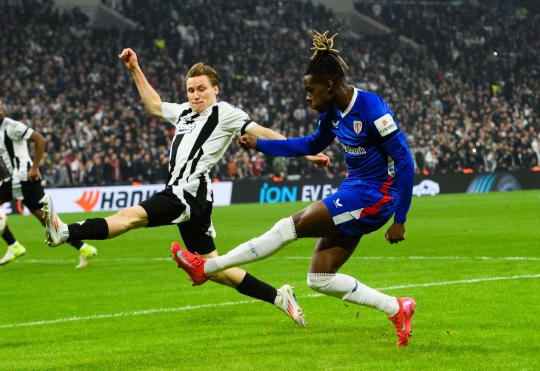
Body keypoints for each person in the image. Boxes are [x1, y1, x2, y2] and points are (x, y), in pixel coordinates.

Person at [43, 48, 329, 326]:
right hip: (194, 198)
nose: (195, 95)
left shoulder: (225, 112)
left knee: (129, 216)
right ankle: (279, 297)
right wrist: (135, 69)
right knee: (215, 269)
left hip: (187, 193)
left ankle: (66, 232)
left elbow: (263, 132)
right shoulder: (182, 113)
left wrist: (305, 153)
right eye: (191, 90)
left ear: (216, 89)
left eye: (201, 89)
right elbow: (154, 105)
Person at [172, 31, 417, 346]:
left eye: (309, 89)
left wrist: (400, 218)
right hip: (354, 191)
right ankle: (397, 307)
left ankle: (205, 267)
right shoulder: (332, 113)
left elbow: (405, 161)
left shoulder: (371, 108)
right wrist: (261, 145)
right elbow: (311, 143)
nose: (306, 96)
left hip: (374, 197)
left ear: (329, 86)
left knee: (289, 227)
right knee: (320, 279)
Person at [0, 100, 97, 268]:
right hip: (19, 180)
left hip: (24, 177)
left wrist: (34, 167)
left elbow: (39, 139)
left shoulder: (12, 126)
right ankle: (84, 248)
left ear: (3, 110)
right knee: (46, 221)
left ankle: (14, 246)